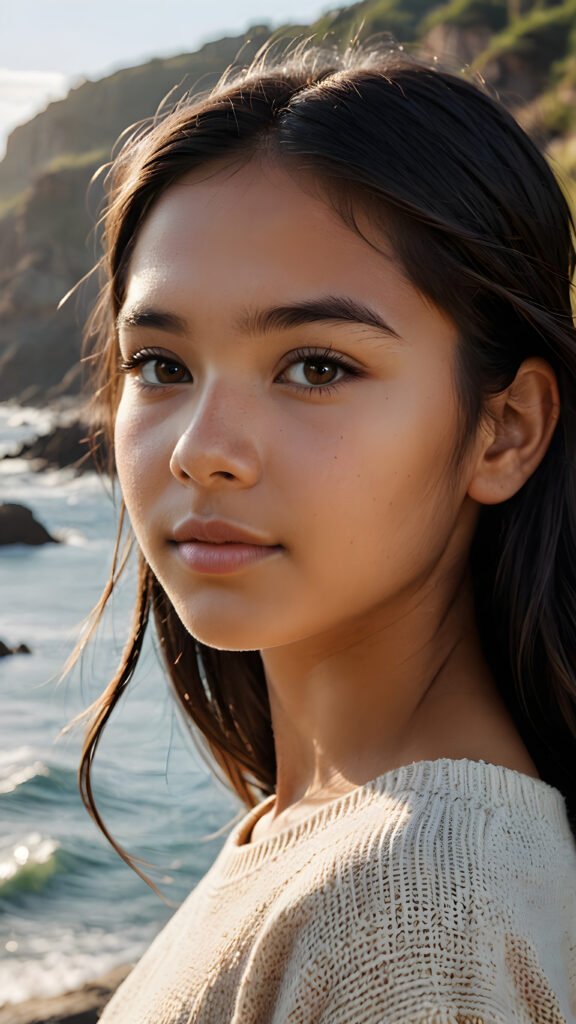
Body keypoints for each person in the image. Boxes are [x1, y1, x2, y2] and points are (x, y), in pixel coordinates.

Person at [77, 40, 576, 1022]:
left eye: (316, 366)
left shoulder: (419, 915)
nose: (201, 451)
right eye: (161, 365)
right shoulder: (326, 838)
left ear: (504, 429)